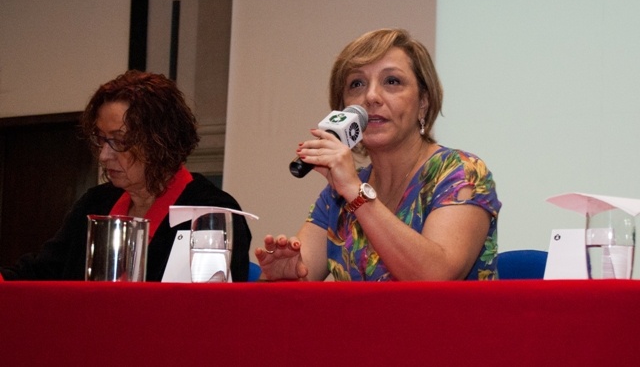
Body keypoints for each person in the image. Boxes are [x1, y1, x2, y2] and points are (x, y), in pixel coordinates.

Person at [255, 29, 500, 281]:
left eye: (392, 81)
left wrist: (355, 191)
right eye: (357, 84)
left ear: (423, 102)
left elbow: (434, 278)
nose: (370, 97)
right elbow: (288, 294)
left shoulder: (461, 173)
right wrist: (282, 278)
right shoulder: (337, 196)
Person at [0, 70, 252, 282]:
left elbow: (217, 310)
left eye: (119, 141)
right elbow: (42, 271)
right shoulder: (96, 203)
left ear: (161, 140)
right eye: (100, 139)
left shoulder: (213, 213)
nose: (103, 155)